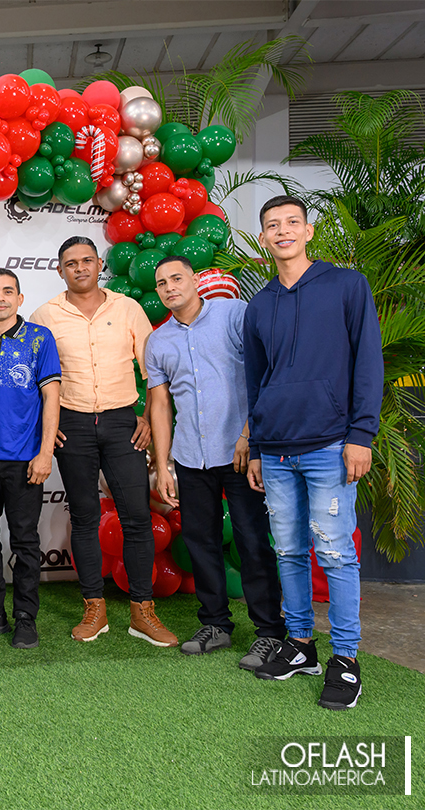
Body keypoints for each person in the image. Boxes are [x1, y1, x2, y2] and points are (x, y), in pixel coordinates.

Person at [244, 196, 382, 710]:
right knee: (288, 552)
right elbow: (255, 382)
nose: (282, 231)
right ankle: (301, 645)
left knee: (336, 554)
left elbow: (368, 362)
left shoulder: (347, 285)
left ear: (308, 231)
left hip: (331, 444)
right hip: (276, 451)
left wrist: (361, 435)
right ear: (264, 238)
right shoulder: (259, 306)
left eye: (291, 223)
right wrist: (257, 447)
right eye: (272, 225)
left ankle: (346, 659)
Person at [31, 236, 177, 647]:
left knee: (137, 517)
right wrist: (48, 426)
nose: (80, 268)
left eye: (87, 260)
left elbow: (153, 373)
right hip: (72, 425)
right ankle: (94, 607)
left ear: (99, 265)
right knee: (84, 517)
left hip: (121, 423)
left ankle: (142, 611)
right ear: (60, 270)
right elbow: (35, 380)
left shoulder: (127, 309)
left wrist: (146, 418)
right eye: (71, 263)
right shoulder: (45, 315)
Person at [146, 256, 285, 669]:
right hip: (191, 456)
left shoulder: (234, 315)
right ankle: (215, 625)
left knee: (252, 541)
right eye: (162, 283)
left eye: (177, 278)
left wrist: (248, 436)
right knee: (200, 541)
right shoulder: (159, 341)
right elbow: (160, 405)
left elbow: (264, 375)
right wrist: (163, 464)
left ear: (194, 280)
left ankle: (269, 631)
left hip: (239, 452)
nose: (170, 287)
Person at [0, 268, 60, 649]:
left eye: (8, 291)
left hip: (25, 460)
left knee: (24, 541)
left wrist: (45, 452)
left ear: (20, 299)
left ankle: (25, 617)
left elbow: (52, 397)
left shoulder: (40, 338)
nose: (0, 298)